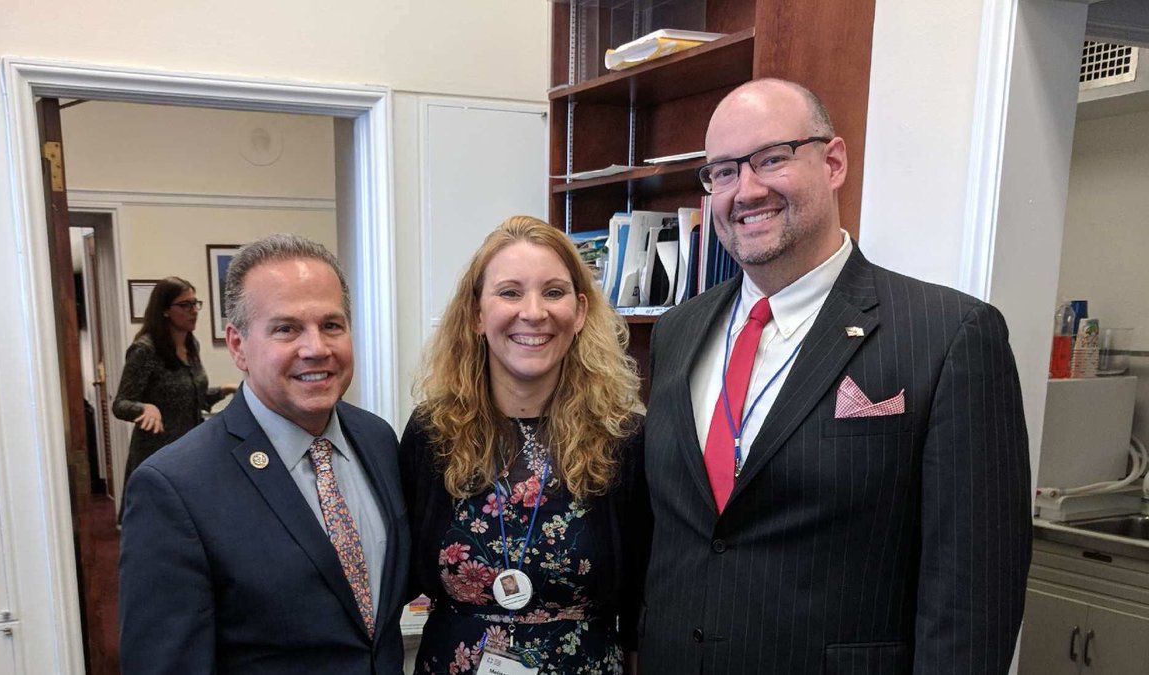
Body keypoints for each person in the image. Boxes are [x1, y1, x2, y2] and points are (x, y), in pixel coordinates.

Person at [639, 79, 1031, 674]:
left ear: (834, 162)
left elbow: (973, 592)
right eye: (722, 172)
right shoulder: (676, 332)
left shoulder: (948, 335)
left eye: (771, 159)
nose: (745, 190)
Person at [119, 234, 409, 674]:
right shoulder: (174, 487)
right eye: (286, 328)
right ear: (238, 346)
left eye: (332, 325)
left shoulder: (378, 439)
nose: (316, 348)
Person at [400, 216, 648, 675]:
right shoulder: (433, 433)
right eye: (510, 292)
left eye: (553, 292)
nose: (533, 312)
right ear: (476, 314)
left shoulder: (623, 437)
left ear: (579, 312)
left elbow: (639, 596)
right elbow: (400, 572)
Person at [112, 276, 236, 519]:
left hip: (190, 450)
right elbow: (120, 403)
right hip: (157, 454)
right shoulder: (145, 350)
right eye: (185, 305)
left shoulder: (191, 346)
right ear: (165, 311)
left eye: (195, 303)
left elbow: (191, 399)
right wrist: (144, 408)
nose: (194, 311)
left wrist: (224, 390)